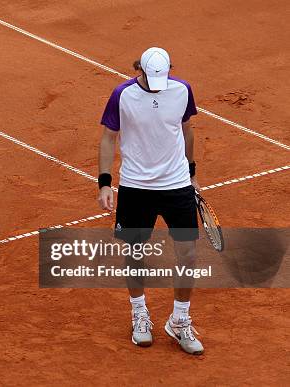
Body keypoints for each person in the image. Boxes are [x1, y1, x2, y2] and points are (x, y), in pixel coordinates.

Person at [97, 47, 204, 355]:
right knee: (135, 252)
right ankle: (139, 313)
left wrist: (192, 172)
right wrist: (105, 183)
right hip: (136, 186)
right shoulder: (122, 95)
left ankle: (180, 319)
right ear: (139, 70)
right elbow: (108, 138)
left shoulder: (182, 90)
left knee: (188, 254)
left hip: (176, 185)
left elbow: (186, 131)